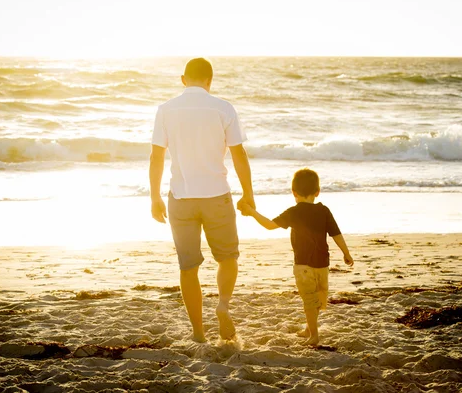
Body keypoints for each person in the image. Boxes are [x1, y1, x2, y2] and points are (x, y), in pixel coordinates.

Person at [149, 58, 255, 343]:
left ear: (183, 79)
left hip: (181, 198)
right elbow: (239, 155)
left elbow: (157, 156)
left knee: (188, 268)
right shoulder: (223, 108)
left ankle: (198, 332)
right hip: (217, 196)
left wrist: (154, 197)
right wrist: (248, 194)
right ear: (210, 80)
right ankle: (222, 304)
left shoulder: (166, 110)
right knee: (228, 258)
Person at [240, 168, 354, 345]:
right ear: (317, 192)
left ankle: (314, 336)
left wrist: (252, 212)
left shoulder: (294, 212)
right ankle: (309, 329)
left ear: (293, 192)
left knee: (309, 299)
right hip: (323, 263)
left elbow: (270, 225)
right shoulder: (324, 210)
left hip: (303, 264)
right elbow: (336, 234)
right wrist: (346, 253)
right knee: (317, 297)